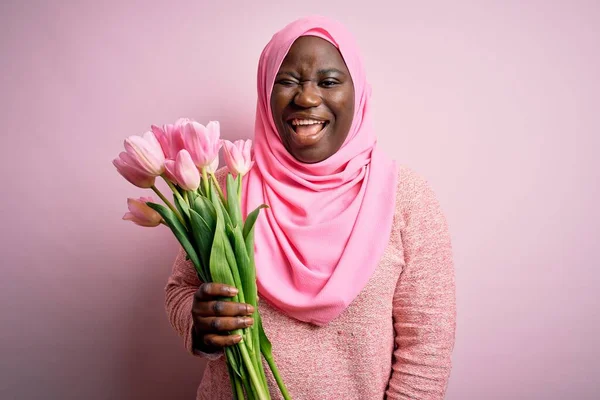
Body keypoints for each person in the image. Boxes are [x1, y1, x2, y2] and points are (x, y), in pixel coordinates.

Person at [165, 15, 456, 400]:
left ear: (359, 94)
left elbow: (427, 350)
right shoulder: (224, 188)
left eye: (329, 81)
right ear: (265, 92)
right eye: (287, 81)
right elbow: (181, 291)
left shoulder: (408, 198)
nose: (306, 97)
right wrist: (198, 322)